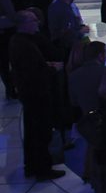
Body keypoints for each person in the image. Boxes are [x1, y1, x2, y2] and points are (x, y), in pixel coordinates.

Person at [9, 10, 65, 179]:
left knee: (33, 132)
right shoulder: (24, 45)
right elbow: (34, 71)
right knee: (41, 132)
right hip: (37, 94)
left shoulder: (19, 41)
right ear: (24, 24)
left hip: (29, 93)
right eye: (33, 21)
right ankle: (42, 169)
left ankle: (32, 165)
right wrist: (52, 68)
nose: (37, 23)